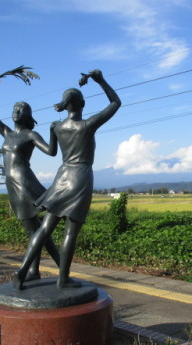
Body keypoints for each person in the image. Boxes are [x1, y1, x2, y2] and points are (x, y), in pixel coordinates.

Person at [13, 69, 121, 290]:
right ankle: (63, 279)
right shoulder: (87, 125)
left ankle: (22, 271)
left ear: (66, 105)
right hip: (80, 177)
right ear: (81, 104)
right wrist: (101, 80)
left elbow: (52, 151)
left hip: (61, 177)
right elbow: (115, 102)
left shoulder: (56, 126)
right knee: (70, 231)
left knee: (44, 229)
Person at [0, 74, 60, 281]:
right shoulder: (7, 133)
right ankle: (49, 269)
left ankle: (38, 270)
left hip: (25, 184)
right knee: (38, 232)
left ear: (27, 115)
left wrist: (53, 132)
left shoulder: (30, 135)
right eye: (14, 109)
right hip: (13, 185)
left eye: (21, 109)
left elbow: (52, 151)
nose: (16, 112)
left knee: (34, 232)